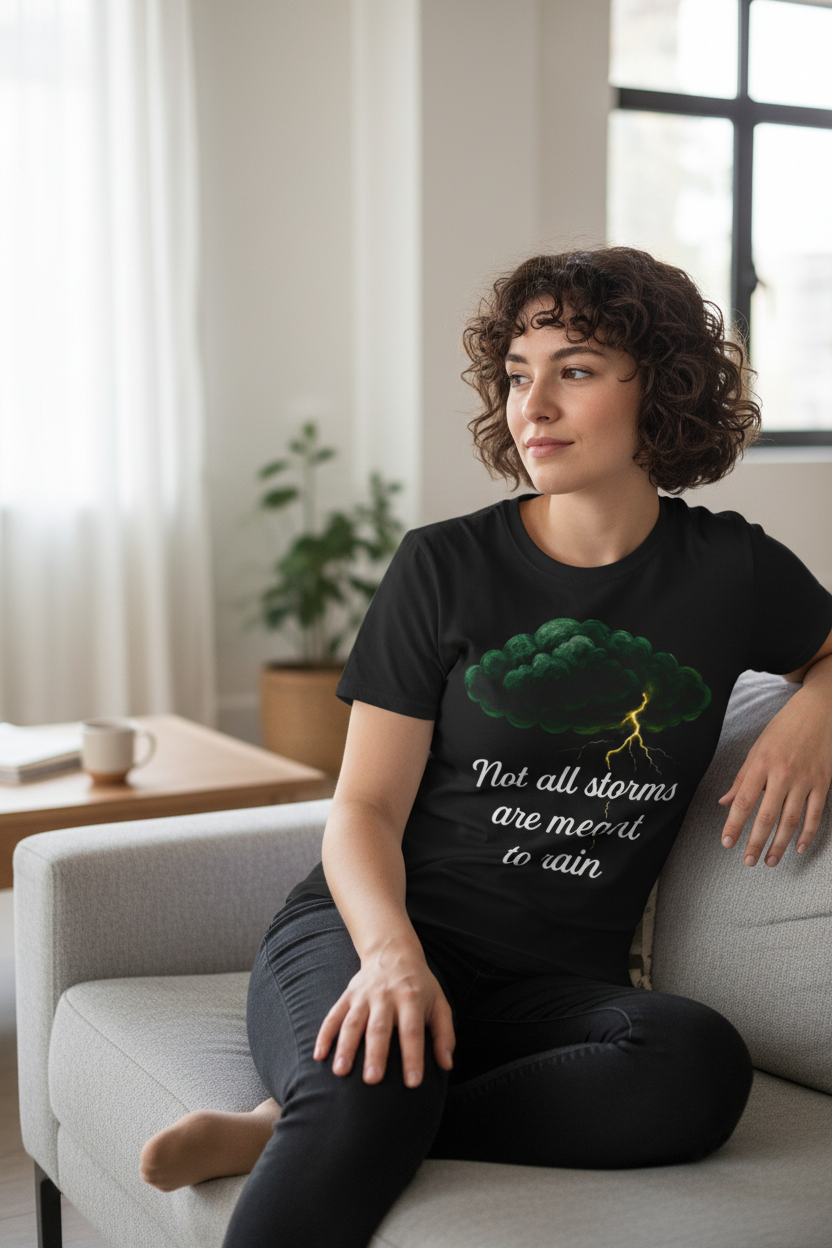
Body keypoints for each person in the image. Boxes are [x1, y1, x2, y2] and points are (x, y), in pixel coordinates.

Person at [140, 247, 832, 1248]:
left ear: (666, 390)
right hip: (371, 931)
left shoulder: (730, 573)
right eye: (517, 374)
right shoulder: (442, 566)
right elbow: (363, 811)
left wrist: (815, 700)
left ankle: (296, 1124)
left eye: (576, 370)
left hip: (546, 988)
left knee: (694, 1065)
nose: (532, 405)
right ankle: (344, 1111)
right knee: (376, 1076)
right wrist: (389, 958)